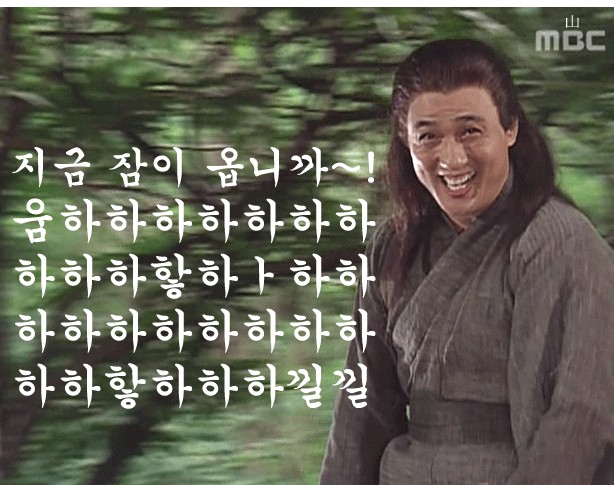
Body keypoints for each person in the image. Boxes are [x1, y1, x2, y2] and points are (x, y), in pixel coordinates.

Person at [319, 39, 614, 485]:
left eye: (470, 131)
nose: (452, 158)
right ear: (405, 141)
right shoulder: (391, 246)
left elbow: (581, 415)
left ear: (509, 129)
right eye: (428, 137)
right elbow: (362, 411)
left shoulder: (557, 241)